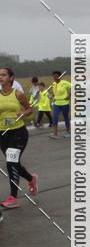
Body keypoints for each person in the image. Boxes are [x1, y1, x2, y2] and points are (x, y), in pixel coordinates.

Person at [0, 67, 37, 208]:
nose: (1, 77)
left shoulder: (18, 94)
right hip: (3, 133)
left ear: (10, 78)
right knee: (13, 163)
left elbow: (29, 109)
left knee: (10, 162)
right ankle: (31, 178)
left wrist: (23, 113)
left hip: (18, 132)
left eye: (3, 75)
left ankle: (13, 198)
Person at [49, 71, 71, 139]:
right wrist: (51, 96)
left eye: (56, 76)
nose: (55, 78)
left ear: (60, 76)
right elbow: (55, 93)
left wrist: (69, 95)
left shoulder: (64, 82)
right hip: (56, 104)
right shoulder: (53, 84)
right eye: (53, 76)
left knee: (66, 117)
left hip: (64, 103)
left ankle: (68, 132)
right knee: (55, 117)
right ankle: (55, 133)